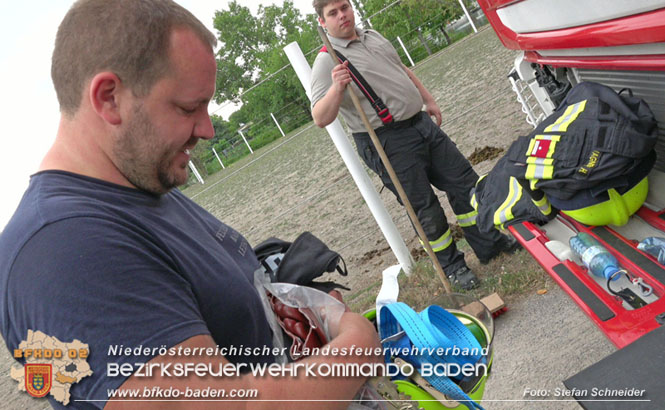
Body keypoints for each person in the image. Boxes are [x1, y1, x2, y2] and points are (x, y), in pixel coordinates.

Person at [0, 0, 380, 408]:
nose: (208, 129)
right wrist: (356, 349)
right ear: (109, 98)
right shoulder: (60, 250)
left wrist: (317, 317)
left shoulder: (144, 187)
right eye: (187, 107)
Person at [310, 0, 520, 290]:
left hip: (420, 124)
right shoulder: (326, 61)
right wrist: (336, 87)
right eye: (332, 13)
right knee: (425, 208)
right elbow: (320, 117)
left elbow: (403, 70)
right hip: (386, 141)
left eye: (344, 7)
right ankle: (453, 268)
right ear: (322, 22)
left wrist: (428, 99)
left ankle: (491, 245)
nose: (342, 15)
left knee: (466, 184)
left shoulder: (373, 36)